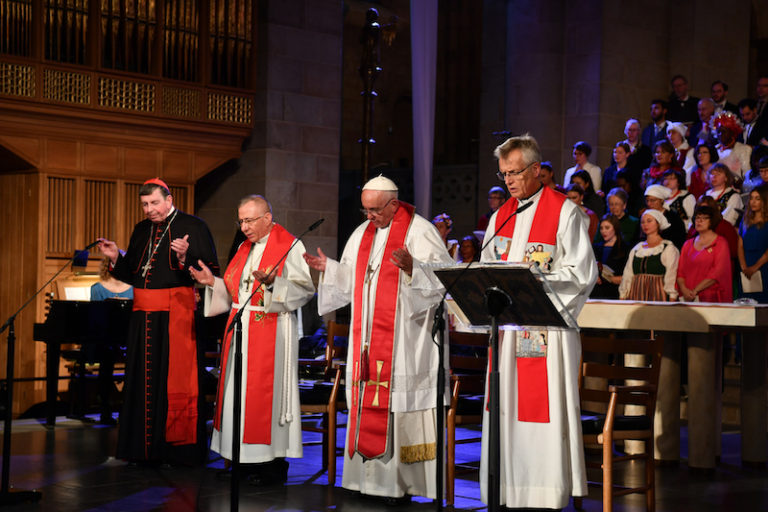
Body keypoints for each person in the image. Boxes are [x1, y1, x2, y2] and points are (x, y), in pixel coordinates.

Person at [302, 175, 454, 502]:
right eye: (365, 209)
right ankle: (367, 482)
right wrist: (327, 268)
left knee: (398, 406)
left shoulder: (421, 231)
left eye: (375, 209)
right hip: (368, 343)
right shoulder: (362, 234)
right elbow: (350, 279)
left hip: (406, 340)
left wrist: (415, 268)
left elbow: (445, 279)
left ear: (394, 204)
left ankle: (401, 486)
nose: (369, 216)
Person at [480, 133, 595, 509]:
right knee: (507, 410)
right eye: (503, 175)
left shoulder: (564, 212)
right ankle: (508, 490)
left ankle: (545, 493)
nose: (509, 181)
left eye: (514, 173)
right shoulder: (501, 216)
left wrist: (534, 281)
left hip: (548, 332)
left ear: (535, 170)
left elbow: (582, 273)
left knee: (542, 417)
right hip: (509, 335)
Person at [189, 195, 315, 484]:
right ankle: (242, 463)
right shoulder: (245, 247)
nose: (244, 227)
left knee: (262, 399)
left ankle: (270, 467)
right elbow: (238, 292)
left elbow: (305, 291)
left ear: (267, 218)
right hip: (241, 330)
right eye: (241, 221)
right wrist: (213, 283)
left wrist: (274, 284)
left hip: (272, 329)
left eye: (249, 220)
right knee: (238, 397)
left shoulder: (290, 245)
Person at [97, 178, 219, 465]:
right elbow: (134, 274)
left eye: (154, 203)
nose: (149, 209)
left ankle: (176, 451)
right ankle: (140, 449)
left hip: (176, 316)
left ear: (169, 199)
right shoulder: (141, 230)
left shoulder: (194, 226)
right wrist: (116, 257)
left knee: (173, 381)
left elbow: (209, 271)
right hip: (143, 319)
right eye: (144, 205)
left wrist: (184, 256)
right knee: (141, 382)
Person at [89, 256, 133, 425]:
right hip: (105, 338)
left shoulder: (134, 289)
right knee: (105, 362)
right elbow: (95, 320)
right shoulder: (97, 289)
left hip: (128, 337)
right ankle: (105, 409)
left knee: (134, 365)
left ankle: (127, 408)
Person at [619, 209, 680, 301]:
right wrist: (623, 295)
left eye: (649, 221)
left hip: (658, 294)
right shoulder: (637, 248)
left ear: (658, 223)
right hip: (636, 294)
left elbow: (671, 275)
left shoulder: (667, 248)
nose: (645, 224)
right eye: (642, 222)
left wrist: (672, 297)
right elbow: (628, 274)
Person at [677, 205, 733, 303]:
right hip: (687, 296)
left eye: (704, 218)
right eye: (697, 218)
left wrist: (696, 290)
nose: (699, 221)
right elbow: (680, 272)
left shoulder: (720, 243)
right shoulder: (688, 244)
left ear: (712, 221)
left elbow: (717, 273)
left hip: (710, 297)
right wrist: (684, 290)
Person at [738, 183, 768, 302]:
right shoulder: (745, 220)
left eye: (757, 199)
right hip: (746, 265)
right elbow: (740, 245)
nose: (753, 202)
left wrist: (755, 267)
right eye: (751, 198)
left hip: (763, 265)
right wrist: (744, 266)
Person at [591, 215, 630, 299]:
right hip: (597, 291)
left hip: (615, 291)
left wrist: (612, 278)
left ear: (615, 228)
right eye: (601, 228)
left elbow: (628, 274)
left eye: (607, 228)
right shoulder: (596, 247)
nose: (603, 231)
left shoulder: (624, 248)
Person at [644, 184, 687, 250]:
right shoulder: (645, 216)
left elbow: (679, 240)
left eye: (652, 200)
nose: (649, 204)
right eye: (647, 200)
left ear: (661, 200)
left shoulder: (673, 218)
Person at [713, 111, 752, 183]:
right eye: (719, 131)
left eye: (724, 131)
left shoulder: (743, 149)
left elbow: (747, 174)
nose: (721, 134)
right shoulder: (714, 150)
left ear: (732, 132)